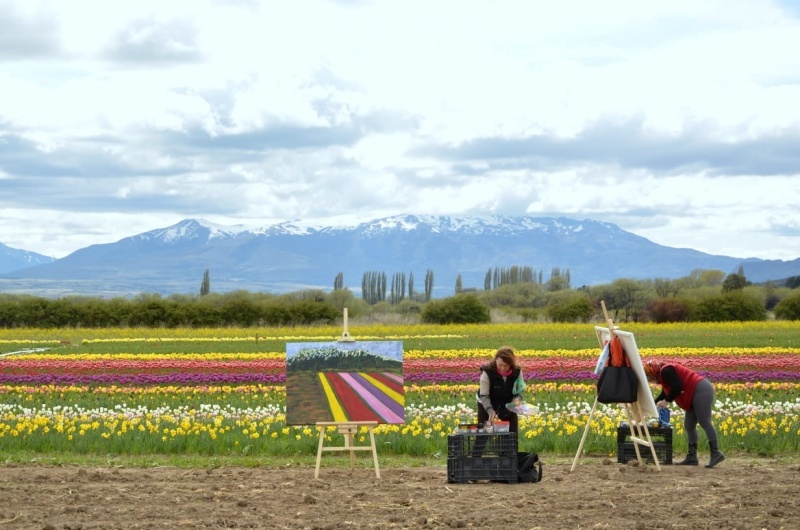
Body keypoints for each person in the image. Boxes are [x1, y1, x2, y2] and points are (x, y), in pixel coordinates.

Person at [643, 360, 725, 468]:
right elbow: (665, 392)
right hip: (693, 393)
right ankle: (692, 457)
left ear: (653, 372)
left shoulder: (666, 371)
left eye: (649, 377)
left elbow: (677, 386)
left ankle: (716, 453)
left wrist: (666, 401)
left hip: (700, 390)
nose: (650, 380)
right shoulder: (663, 375)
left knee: (704, 421)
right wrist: (652, 405)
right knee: (689, 425)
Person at [477, 346, 525, 435]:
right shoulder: (487, 371)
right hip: (487, 402)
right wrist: (490, 410)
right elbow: (484, 395)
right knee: (483, 433)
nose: (502, 368)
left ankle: (509, 449)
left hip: (508, 403)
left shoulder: (517, 371)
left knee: (511, 434)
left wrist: (517, 399)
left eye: (506, 366)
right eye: (500, 365)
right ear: (495, 361)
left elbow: (520, 390)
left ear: (511, 364)